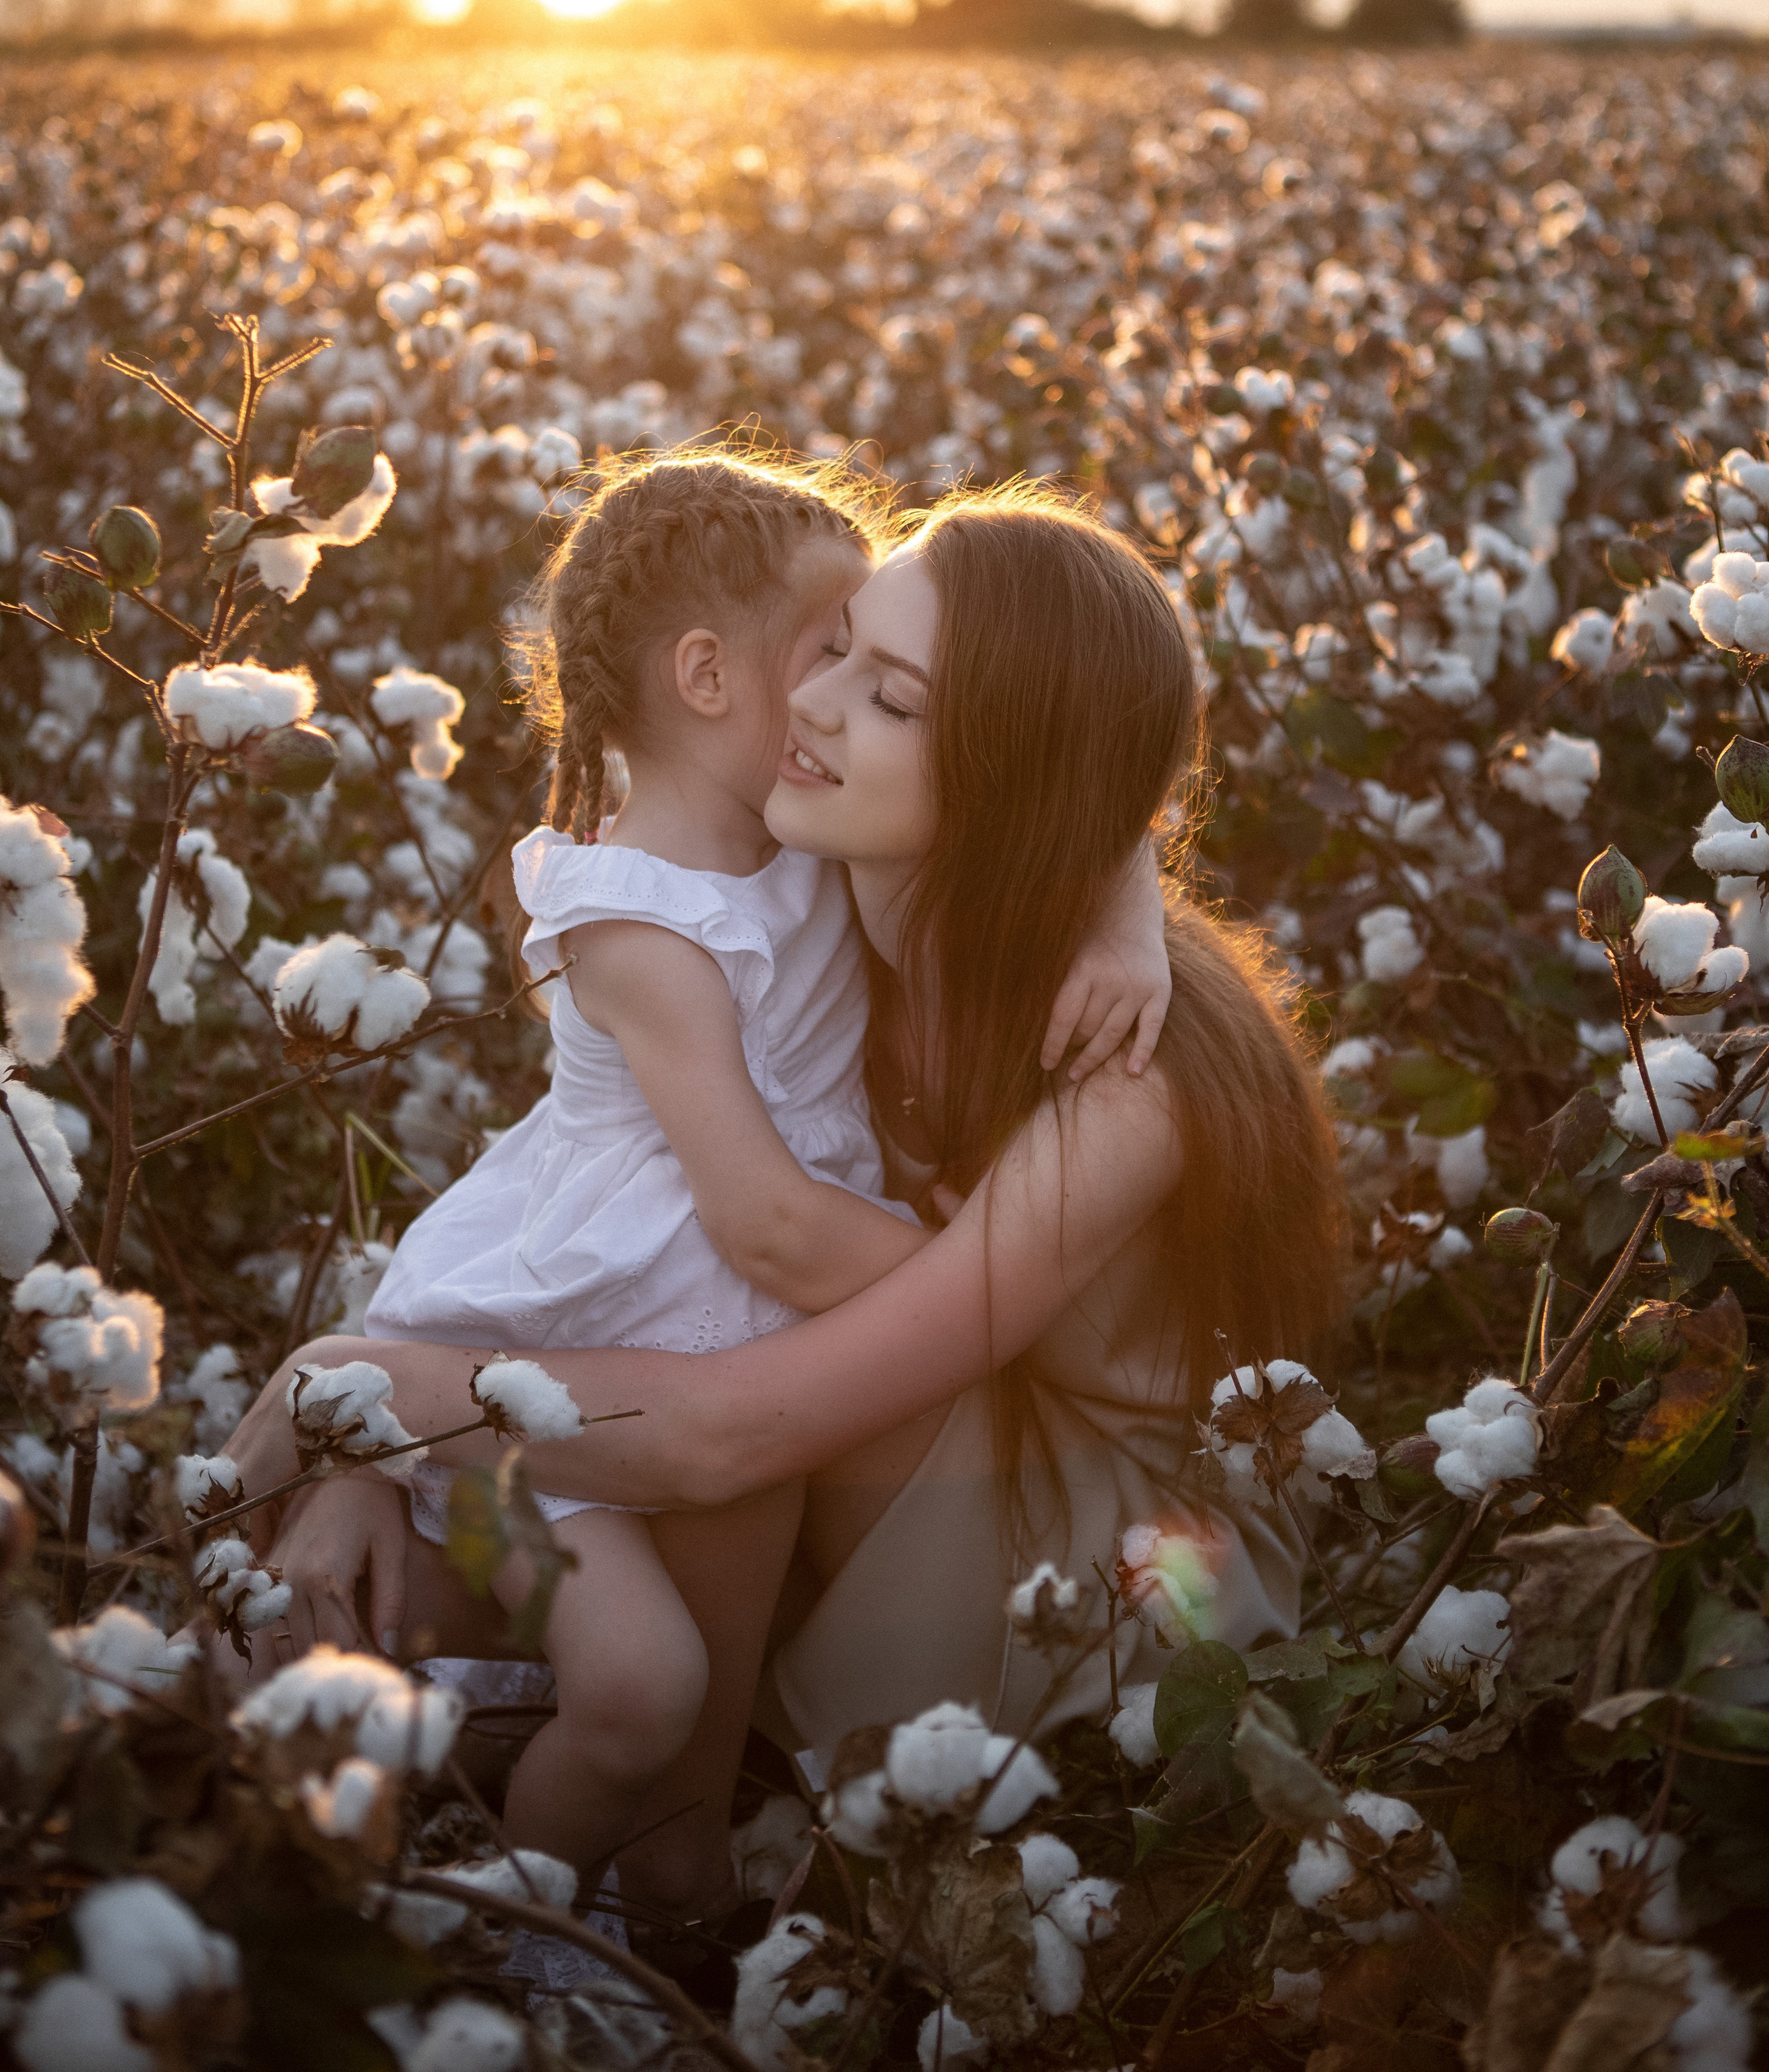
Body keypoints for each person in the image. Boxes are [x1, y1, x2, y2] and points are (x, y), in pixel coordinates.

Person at [226, 479, 1341, 1912]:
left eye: (886, 696)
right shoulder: (854, 874)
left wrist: (352, 1386)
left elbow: (730, 1427)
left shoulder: (1127, 1083)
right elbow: (1088, 712)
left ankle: (653, 1824)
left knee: (743, 1319)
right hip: (885, 1430)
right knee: (704, 1286)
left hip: (1090, 1547)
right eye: (835, 650)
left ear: (1008, 769)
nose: (810, 703)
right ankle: (524, 1692)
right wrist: (374, 1462)